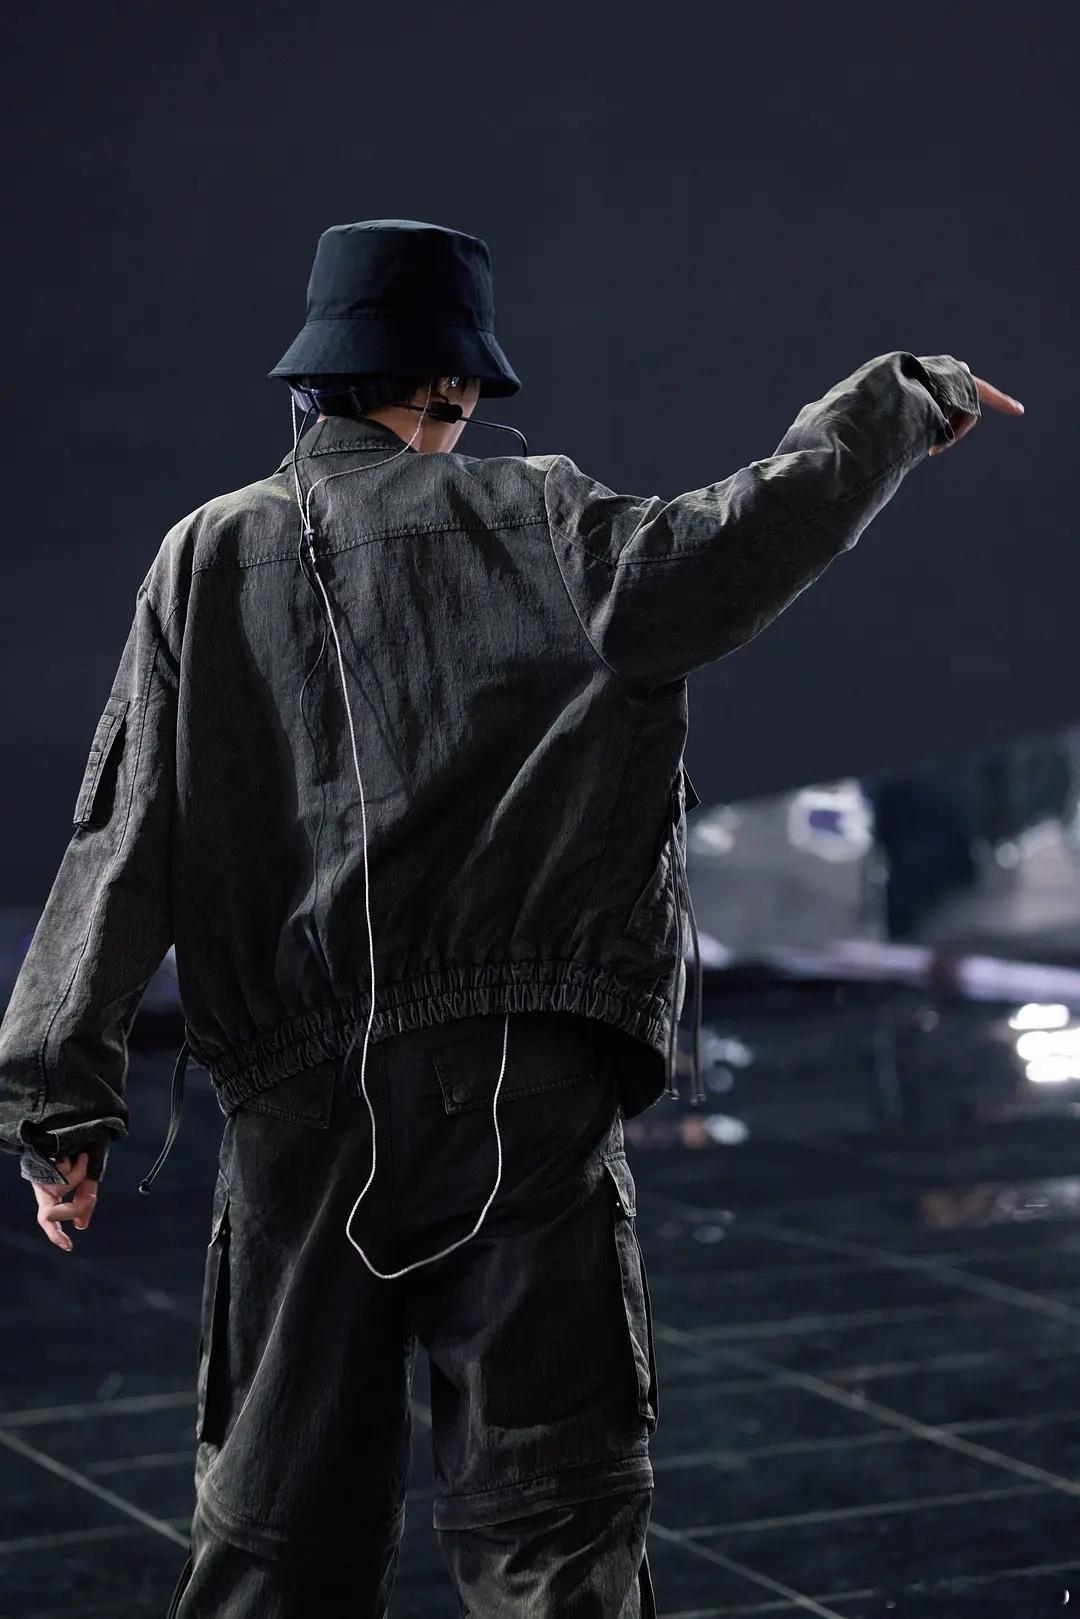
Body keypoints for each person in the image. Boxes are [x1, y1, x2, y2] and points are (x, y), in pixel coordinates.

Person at [0, 217, 1023, 1617]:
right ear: (449, 384)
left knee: (275, 1539)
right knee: (553, 1531)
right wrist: (899, 402)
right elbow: (742, 537)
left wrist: (59, 1105)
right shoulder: (540, 518)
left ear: (316, 379)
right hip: (519, 1096)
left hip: (299, 1110)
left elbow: (122, 839)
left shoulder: (205, 558)